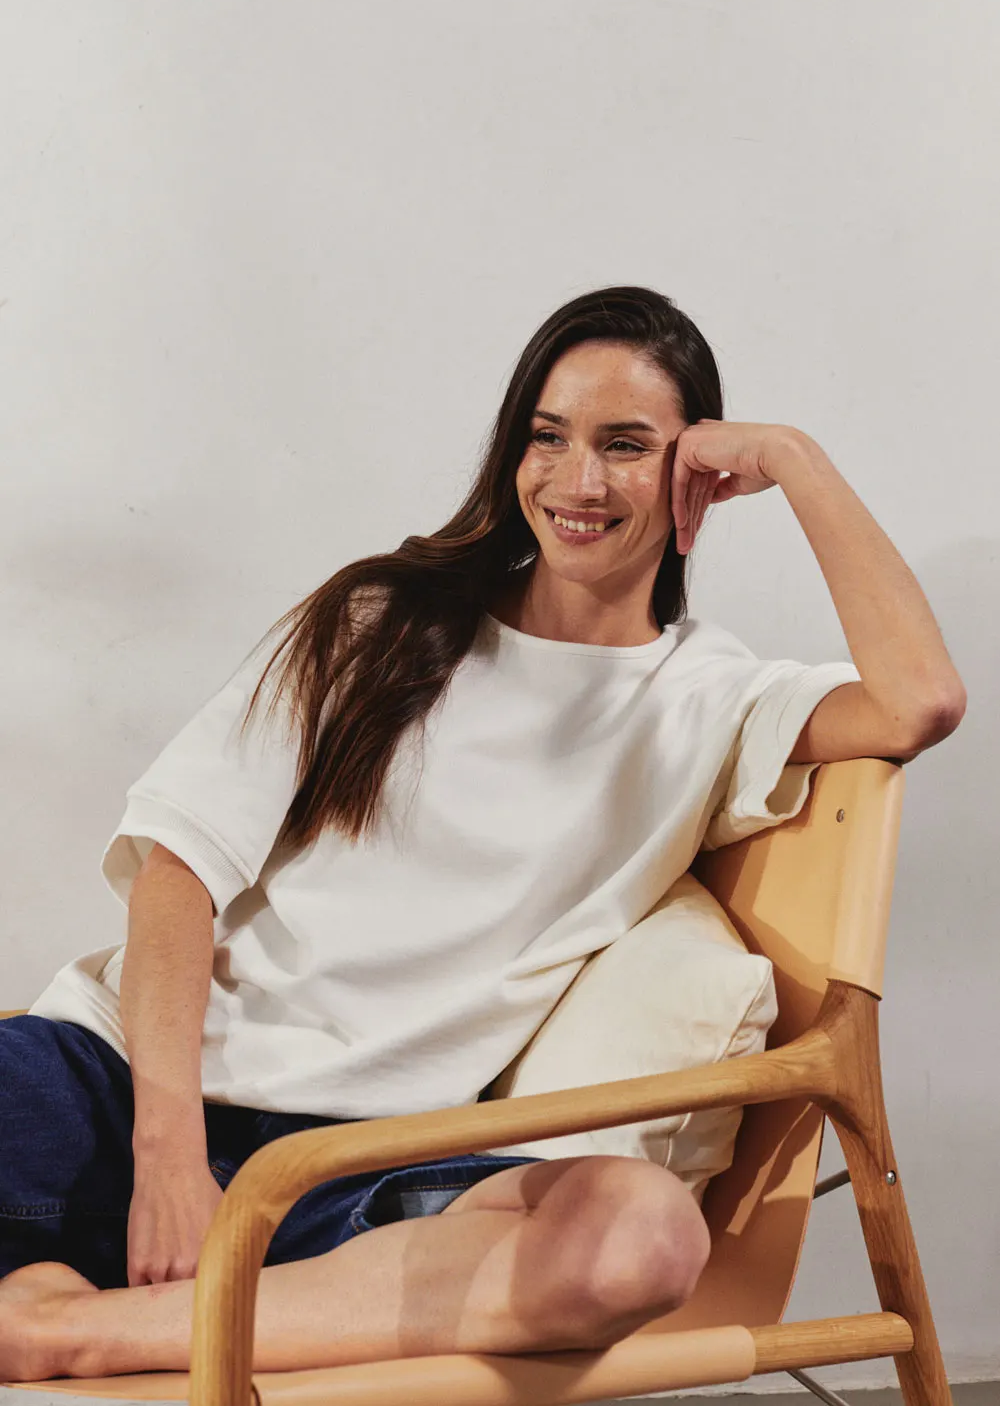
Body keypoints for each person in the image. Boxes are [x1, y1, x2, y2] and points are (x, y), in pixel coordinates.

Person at [0, 285, 965, 1383]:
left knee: (641, 1238)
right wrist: (166, 1151)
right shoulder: (380, 619)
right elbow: (176, 871)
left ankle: (54, 1327)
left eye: (627, 446)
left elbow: (918, 700)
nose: (578, 481)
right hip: (120, 1085)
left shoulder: (712, 699)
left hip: (369, 1172)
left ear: (693, 472)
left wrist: (795, 459)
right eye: (548, 437)